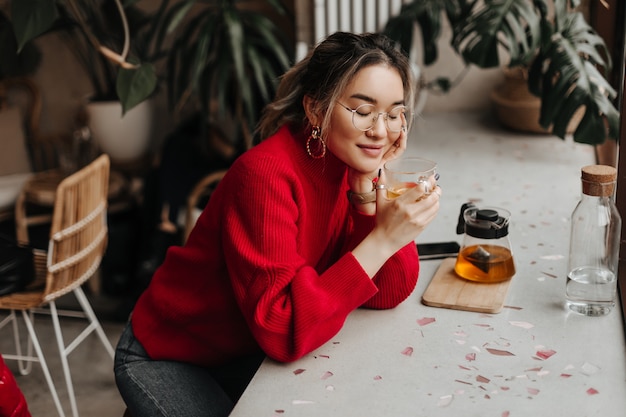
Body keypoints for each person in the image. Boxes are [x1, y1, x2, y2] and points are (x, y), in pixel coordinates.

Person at [114, 31, 441, 417]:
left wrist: (368, 192)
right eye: (363, 111)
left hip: (247, 350)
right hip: (172, 354)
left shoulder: (349, 165)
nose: (381, 131)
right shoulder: (265, 175)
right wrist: (383, 239)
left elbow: (387, 292)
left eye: (393, 113)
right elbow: (282, 329)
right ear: (316, 110)